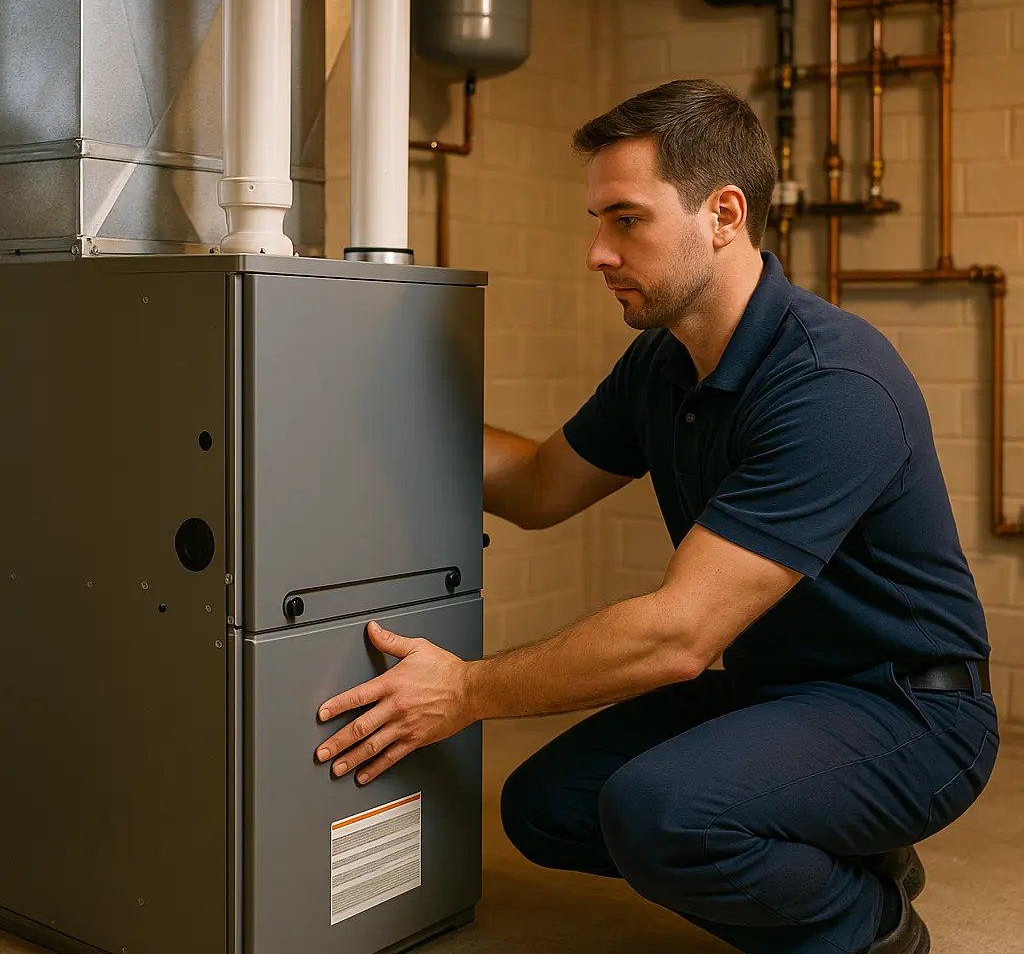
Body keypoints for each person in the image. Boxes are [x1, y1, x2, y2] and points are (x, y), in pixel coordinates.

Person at [313, 79, 998, 954]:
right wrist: (378, 410)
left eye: (626, 220)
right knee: (546, 809)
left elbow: (677, 637)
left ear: (723, 213)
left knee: (658, 811)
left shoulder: (832, 383)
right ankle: (854, 848)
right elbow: (535, 486)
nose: (598, 251)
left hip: (908, 713)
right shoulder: (661, 365)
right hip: (778, 692)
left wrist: (467, 690)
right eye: (598, 220)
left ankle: (870, 930)